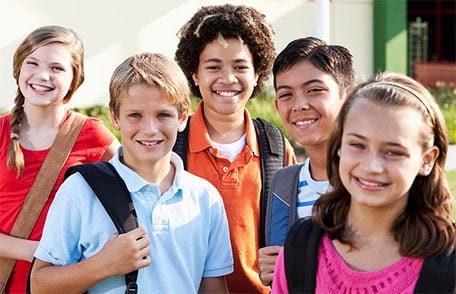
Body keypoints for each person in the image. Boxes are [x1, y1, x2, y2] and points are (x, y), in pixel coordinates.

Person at [30, 52, 233, 293]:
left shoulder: (205, 198)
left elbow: (213, 288)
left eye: (163, 115)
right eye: (135, 115)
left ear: (182, 116)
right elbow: (39, 285)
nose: (149, 129)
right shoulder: (79, 191)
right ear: (115, 117)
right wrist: (101, 265)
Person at [272, 72, 456, 293]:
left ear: (427, 160)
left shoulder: (448, 265)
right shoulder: (300, 246)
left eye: (393, 152)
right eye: (357, 145)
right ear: (339, 145)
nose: (371, 166)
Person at [174, 4, 296, 293]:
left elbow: (296, 227)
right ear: (194, 73)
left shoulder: (275, 147)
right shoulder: (173, 144)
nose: (228, 79)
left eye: (240, 67)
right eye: (213, 66)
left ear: (257, 74)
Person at [0, 25, 118, 293]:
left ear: (75, 79)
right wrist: (40, 251)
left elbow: (134, 185)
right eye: (33, 63)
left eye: (57, 68)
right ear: (19, 67)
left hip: (65, 286)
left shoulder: (92, 134)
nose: (43, 75)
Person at [258, 37, 355, 286]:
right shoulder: (284, 184)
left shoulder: (368, 180)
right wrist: (274, 270)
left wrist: (297, 264)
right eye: (286, 95)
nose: (299, 105)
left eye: (314, 90)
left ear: (348, 96)